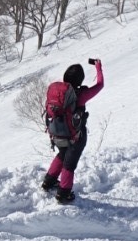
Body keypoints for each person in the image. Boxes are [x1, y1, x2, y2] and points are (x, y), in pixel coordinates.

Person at [42, 57, 103, 203]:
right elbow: (100, 85)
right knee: (69, 163)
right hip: (75, 136)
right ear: (80, 80)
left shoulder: (57, 93)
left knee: (62, 154)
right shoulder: (80, 95)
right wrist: (98, 67)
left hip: (57, 133)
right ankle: (64, 193)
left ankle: (48, 182)